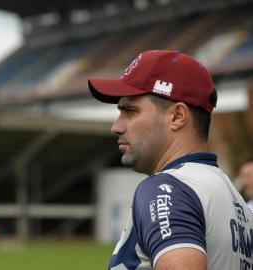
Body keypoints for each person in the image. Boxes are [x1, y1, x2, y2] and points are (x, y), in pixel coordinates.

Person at [88, 50, 253, 269]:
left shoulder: (166, 189)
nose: (116, 127)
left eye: (129, 111)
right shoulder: (234, 201)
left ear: (177, 116)